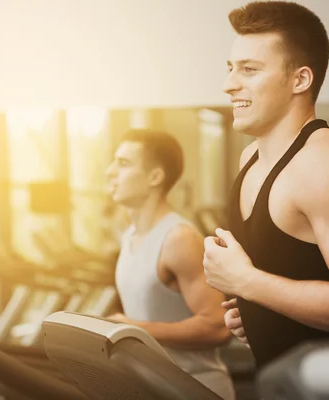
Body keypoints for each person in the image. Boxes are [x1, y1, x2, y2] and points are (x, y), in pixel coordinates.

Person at [202, 1, 329, 372]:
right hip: (283, 383)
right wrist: (258, 311)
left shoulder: (325, 165)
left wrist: (247, 282)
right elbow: (289, 277)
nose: (229, 84)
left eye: (249, 70)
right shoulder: (251, 158)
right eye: (230, 68)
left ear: (300, 80)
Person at [105, 129, 236, 399]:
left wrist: (134, 330)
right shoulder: (130, 235)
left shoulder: (179, 238)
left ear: (155, 176)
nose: (110, 172)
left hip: (195, 387)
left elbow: (218, 326)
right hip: (151, 387)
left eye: (123, 164)